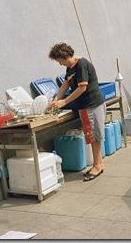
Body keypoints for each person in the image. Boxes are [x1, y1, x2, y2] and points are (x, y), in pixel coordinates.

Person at [47, 43, 106, 181]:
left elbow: (82, 88)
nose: (60, 64)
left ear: (64, 56)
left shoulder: (81, 65)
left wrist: (64, 102)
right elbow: (65, 84)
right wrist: (56, 100)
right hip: (84, 107)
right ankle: (99, 164)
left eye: (59, 61)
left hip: (92, 104)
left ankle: (97, 166)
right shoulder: (70, 68)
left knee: (95, 135)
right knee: (92, 135)